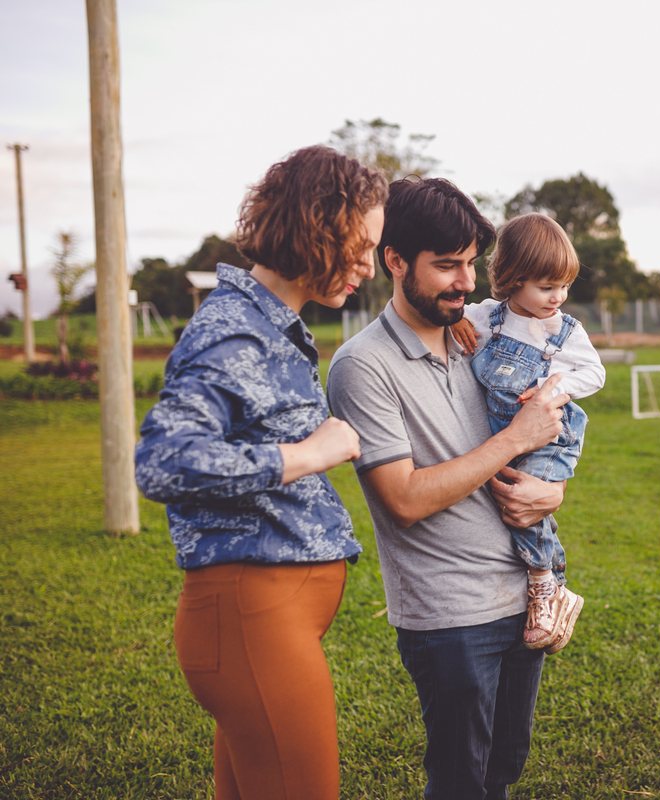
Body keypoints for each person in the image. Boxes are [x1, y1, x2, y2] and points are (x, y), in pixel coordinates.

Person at [134, 146, 386, 800]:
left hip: (260, 622)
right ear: (317, 226)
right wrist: (307, 455)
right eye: (360, 245)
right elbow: (164, 459)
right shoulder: (235, 329)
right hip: (251, 621)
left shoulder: (272, 326)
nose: (368, 264)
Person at [325, 177, 570, 800]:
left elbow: (540, 443)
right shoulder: (362, 365)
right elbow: (403, 499)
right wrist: (514, 439)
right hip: (451, 617)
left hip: (521, 593)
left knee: (502, 771)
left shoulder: (478, 336)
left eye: (469, 264)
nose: (465, 281)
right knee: (462, 784)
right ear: (395, 261)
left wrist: (552, 493)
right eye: (445, 266)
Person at [449, 212, 605, 653]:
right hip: (507, 430)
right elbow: (454, 319)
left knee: (522, 502)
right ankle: (553, 586)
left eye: (564, 286)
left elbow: (595, 373)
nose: (558, 297)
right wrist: (454, 322)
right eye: (547, 286)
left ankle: (545, 582)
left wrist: (553, 388)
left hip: (553, 432)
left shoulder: (564, 331)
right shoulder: (485, 318)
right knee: (510, 501)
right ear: (513, 280)